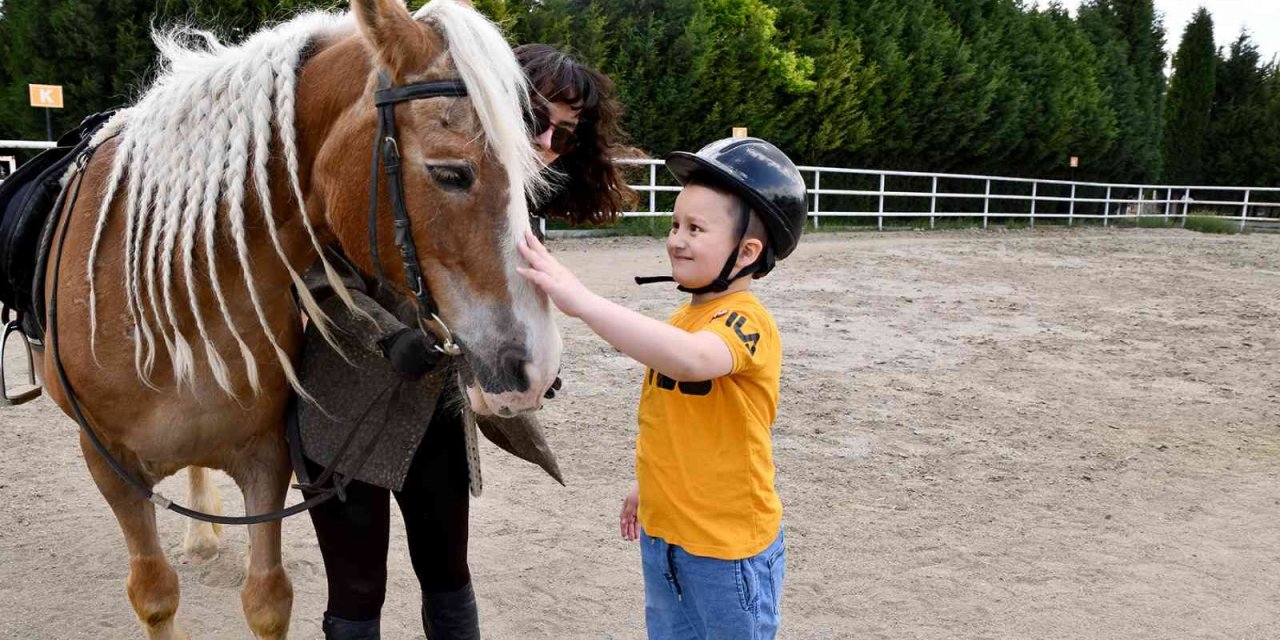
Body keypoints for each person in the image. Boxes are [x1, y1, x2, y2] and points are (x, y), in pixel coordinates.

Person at [292, 45, 633, 640]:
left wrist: (526, 355)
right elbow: (318, 270)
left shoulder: (511, 202)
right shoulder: (382, 158)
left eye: (565, 135)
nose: (549, 144)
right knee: (357, 588)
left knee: (449, 574)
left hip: (437, 409)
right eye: (536, 121)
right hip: (346, 403)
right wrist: (387, 336)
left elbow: (514, 300)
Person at [516, 136, 808, 639]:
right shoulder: (682, 319)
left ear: (748, 251)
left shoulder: (746, 323)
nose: (676, 239)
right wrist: (648, 488)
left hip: (726, 551)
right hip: (666, 539)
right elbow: (674, 422)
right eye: (675, 224)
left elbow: (694, 362)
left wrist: (580, 300)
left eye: (696, 229)